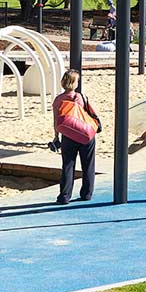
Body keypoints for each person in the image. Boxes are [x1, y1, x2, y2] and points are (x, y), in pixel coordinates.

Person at [51, 70, 101, 204]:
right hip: (85, 133)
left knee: (68, 165)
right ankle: (87, 194)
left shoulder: (58, 100)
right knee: (88, 164)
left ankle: (64, 196)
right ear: (74, 83)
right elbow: (92, 113)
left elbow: (56, 121)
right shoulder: (81, 97)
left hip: (68, 135)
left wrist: (56, 136)